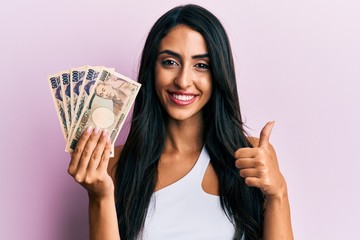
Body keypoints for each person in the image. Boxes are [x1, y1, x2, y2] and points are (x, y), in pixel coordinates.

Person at [67, 4, 294, 240]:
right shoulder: (115, 164)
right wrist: (99, 197)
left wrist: (278, 192)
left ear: (219, 74)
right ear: (151, 69)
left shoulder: (251, 156)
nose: (184, 81)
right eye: (170, 62)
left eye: (201, 65)